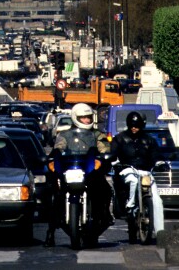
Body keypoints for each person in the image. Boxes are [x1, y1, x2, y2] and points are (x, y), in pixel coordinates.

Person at [44, 103, 113, 248]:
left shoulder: (97, 134)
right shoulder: (65, 134)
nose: (87, 120)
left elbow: (105, 149)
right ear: (76, 118)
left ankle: (104, 216)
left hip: (90, 172)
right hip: (71, 169)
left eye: (88, 117)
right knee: (55, 194)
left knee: (105, 190)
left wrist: (104, 156)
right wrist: (54, 156)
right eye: (83, 118)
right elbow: (59, 147)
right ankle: (51, 231)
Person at [110, 111, 165, 243]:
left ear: (142, 125)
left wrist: (160, 163)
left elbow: (155, 154)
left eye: (137, 126)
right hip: (127, 170)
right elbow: (113, 153)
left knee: (157, 200)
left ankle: (160, 233)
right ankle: (130, 205)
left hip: (145, 172)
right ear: (128, 125)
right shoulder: (120, 138)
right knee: (133, 180)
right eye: (132, 125)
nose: (134, 128)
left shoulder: (149, 140)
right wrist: (115, 163)